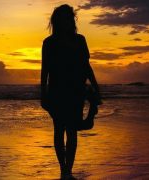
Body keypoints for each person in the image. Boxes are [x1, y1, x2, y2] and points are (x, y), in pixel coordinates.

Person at [40, 4, 101, 179]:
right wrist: (43, 94)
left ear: (72, 20)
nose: (66, 21)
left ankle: (68, 171)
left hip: (76, 91)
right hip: (57, 91)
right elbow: (45, 70)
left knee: (72, 131)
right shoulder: (49, 43)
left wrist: (96, 88)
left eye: (68, 18)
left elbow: (86, 67)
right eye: (62, 18)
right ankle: (63, 170)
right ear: (56, 21)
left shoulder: (80, 40)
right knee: (59, 130)